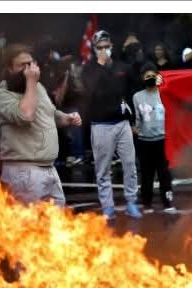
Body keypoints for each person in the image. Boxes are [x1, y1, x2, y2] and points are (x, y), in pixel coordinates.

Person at [0, 45, 82, 207]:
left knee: (57, 224)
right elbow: (26, 116)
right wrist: (31, 82)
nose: (28, 70)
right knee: (28, 226)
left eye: (31, 64)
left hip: (49, 168)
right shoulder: (2, 94)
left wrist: (67, 118)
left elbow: (50, 114)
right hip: (23, 172)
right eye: (22, 65)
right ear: (9, 69)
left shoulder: (37, 87)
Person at [82, 29, 141, 220]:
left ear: (112, 47)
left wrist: (133, 121)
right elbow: (91, 91)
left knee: (130, 165)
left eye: (107, 47)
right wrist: (101, 65)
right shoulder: (89, 69)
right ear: (94, 49)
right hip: (100, 125)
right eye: (100, 48)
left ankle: (131, 202)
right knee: (103, 169)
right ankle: (108, 207)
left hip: (122, 123)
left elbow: (131, 93)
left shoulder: (122, 67)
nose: (104, 50)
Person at [132, 61, 175, 213]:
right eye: (147, 75)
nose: (150, 77)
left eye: (153, 75)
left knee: (164, 174)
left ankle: (168, 202)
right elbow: (136, 120)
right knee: (147, 175)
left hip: (163, 140)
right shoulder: (137, 96)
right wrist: (135, 130)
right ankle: (147, 204)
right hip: (145, 142)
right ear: (142, 78)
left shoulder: (165, 92)